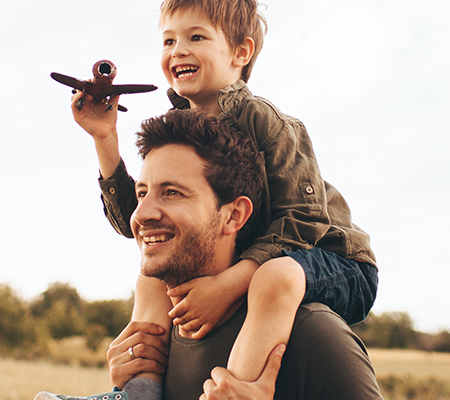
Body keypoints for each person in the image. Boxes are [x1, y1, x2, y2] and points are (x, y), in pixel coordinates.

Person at [67, 1, 378, 398]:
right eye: (168, 41)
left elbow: (304, 222)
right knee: (153, 273)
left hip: (328, 258)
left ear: (241, 52)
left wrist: (228, 285)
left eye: (195, 37)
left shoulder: (266, 122)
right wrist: (105, 138)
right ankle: (135, 393)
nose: (178, 50)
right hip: (261, 259)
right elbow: (139, 221)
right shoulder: (181, 129)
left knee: (275, 277)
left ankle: (239, 388)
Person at [41, 110, 381, 400]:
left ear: (234, 216)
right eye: (142, 193)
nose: (141, 214)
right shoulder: (153, 346)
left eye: (172, 193)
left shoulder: (313, 336)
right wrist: (129, 388)